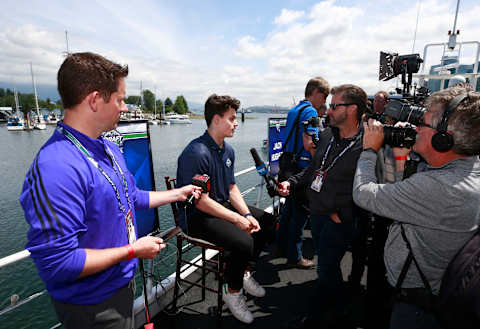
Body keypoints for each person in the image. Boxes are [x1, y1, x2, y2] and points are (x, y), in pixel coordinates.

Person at [20, 52, 201, 329]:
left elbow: (133, 197)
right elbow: (59, 262)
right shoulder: (55, 166)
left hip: (122, 284)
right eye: (120, 99)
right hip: (91, 305)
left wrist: (178, 193)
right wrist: (131, 251)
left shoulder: (109, 147)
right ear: (94, 100)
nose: (125, 108)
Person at [353, 83, 480, 329]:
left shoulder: (440, 187)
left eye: (424, 123)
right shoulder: (470, 166)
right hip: (438, 290)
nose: (416, 127)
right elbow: (414, 196)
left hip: (418, 303)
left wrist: (369, 150)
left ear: (444, 139)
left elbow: (363, 193)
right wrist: (405, 159)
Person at [176, 94, 277, 324]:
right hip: (197, 216)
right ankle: (232, 291)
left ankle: (242, 271)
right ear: (216, 119)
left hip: (221, 205)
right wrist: (236, 219)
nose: (236, 122)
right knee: (244, 240)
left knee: (266, 224)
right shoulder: (197, 153)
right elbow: (199, 201)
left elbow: (231, 187)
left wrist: (248, 215)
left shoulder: (227, 150)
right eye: (232, 118)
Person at [278, 84, 367, 328]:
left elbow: (371, 187)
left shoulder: (367, 146)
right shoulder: (328, 134)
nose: (328, 109)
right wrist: (291, 182)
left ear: (352, 110)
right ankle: (337, 306)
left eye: (335, 105)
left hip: (339, 219)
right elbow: (314, 169)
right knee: (328, 268)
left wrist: (343, 213)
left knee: (326, 266)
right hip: (316, 212)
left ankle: (329, 314)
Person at [277, 77, 330, 269]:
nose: (324, 101)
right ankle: (295, 256)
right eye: (324, 96)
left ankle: (281, 246)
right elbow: (311, 143)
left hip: (288, 165)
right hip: (301, 167)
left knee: (289, 211)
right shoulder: (310, 112)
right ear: (315, 92)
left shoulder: (295, 109)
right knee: (299, 216)